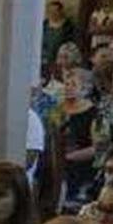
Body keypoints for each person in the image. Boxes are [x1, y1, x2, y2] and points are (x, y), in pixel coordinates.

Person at [46, 67, 96, 209]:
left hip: (80, 167)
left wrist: (68, 157)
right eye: (66, 84)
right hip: (55, 164)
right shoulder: (58, 110)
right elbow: (50, 135)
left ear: (86, 89)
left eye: (73, 84)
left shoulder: (96, 114)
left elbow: (99, 148)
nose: (68, 88)